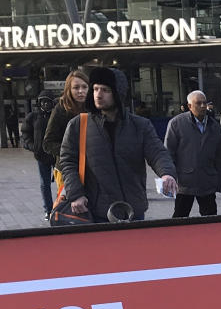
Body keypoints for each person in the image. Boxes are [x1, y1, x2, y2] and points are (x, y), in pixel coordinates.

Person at [59, 66, 177, 223]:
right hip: (96, 210)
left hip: (133, 209)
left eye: (105, 90)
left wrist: (167, 173)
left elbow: (157, 152)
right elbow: (68, 162)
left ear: (118, 93)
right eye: (95, 89)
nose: (98, 95)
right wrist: (76, 194)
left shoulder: (140, 125)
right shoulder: (78, 125)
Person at [166, 90, 221, 218]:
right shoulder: (177, 124)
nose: (203, 106)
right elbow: (168, 153)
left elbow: (220, 157)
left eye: (204, 103)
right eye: (198, 103)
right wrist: (169, 177)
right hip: (184, 183)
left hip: (207, 182)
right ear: (189, 106)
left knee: (210, 220)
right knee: (180, 219)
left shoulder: (214, 127)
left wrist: (219, 182)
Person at [43, 68, 90, 173]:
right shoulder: (60, 109)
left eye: (84, 87)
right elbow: (48, 143)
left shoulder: (94, 108)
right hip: (67, 168)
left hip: (92, 168)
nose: (80, 91)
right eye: (76, 87)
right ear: (69, 89)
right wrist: (72, 151)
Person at [23, 92, 56, 218]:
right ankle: (48, 209)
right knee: (45, 183)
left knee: (62, 182)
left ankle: (61, 207)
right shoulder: (33, 117)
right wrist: (33, 147)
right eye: (43, 102)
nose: (46, 104)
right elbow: (26, 134)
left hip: (56, 154)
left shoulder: (57, 115)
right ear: (39, 103)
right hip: (41, 155)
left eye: (48, 101)